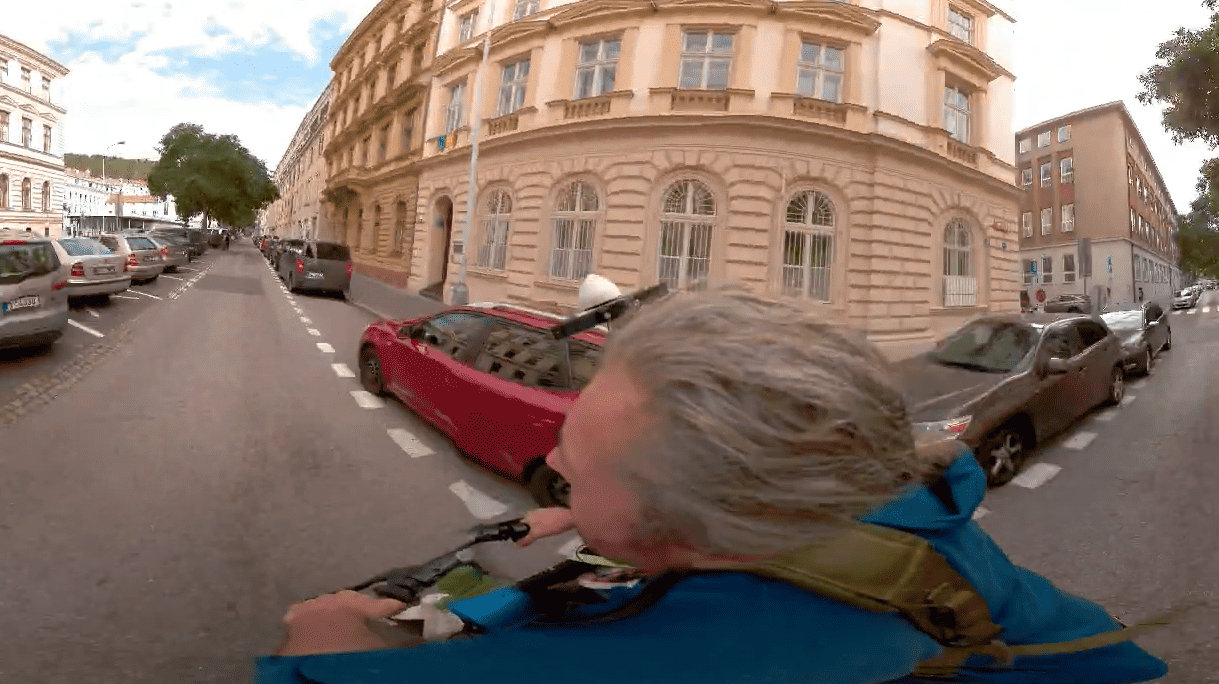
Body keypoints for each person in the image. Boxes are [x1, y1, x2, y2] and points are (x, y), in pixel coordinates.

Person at [255, 287, 1171, 683]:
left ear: (696, 527)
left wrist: (323, 643)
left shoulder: (719, 656)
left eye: (580, 464)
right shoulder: (894, 513)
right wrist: (590, 516)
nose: (555, 464)